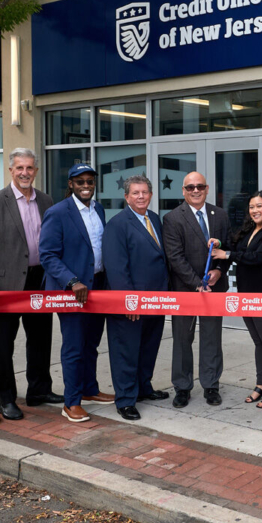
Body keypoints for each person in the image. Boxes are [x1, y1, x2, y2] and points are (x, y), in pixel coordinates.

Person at [0, 148, 61, 421]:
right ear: (11, 170)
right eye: (20, 168)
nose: (25, 173)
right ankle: (5, 398)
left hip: (40, 280)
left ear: (36, 171)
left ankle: (39, 390)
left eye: (30, 168)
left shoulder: (46, 201)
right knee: (4, 343)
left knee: (41, 338)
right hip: (5, 285)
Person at [39, 164, 115, 423]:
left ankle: (89, 389)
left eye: (90, 182)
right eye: (80, 181)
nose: (86, 186)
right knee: (73, 346)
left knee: (91, 343)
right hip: (72, 291)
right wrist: (72, 281)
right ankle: (71, 401)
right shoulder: (57, 212)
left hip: (98, 286)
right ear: (70, 184)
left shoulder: (99, 209)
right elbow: (47, 255)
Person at [212, 191, 262, 409]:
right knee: (258, 341)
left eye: (259, 206)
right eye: (252, 207)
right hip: (246, 294)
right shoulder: (248, 231)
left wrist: (227, 255)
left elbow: (257, 258)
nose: (255, 210)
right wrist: (220, 244)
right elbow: (234, 249)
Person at [162, 171, 231, 408]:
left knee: (212, 337)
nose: (195, 191)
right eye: (190, 187)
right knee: (182, 339)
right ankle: (182, 387)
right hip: (185, 289)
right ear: (183, 191)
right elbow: (175, 257)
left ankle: (211, 385)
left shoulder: (220, 215)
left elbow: (227, 249)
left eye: (199, 186)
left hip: (215, 288)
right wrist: (197, 283)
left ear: (207, 188)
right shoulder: (172, 218)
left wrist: (219, 271)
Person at [102, 175, 169, 421]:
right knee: (126, 351)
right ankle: (126, 399)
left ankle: (143, 387)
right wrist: (128, 301)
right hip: (131, 302)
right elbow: (116, 267)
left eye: (145, 192)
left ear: (151, 195)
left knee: (148, 348)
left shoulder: (154, 219)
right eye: (135, 193)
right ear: (126, 197)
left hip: (156, 299)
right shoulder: (117, 224)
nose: (141, 196)